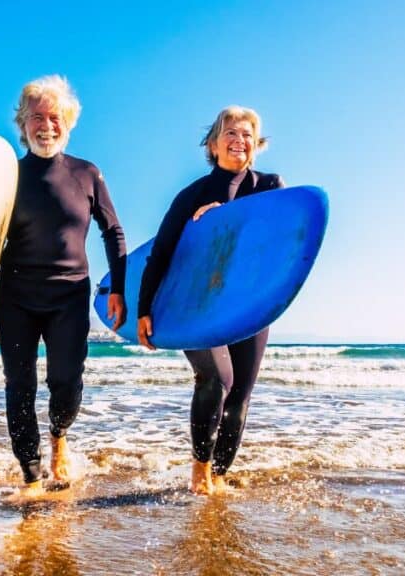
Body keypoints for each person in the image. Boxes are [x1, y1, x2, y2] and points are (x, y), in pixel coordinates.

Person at [0, 75, 127, 499]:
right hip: (17, 295)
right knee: (19, 386)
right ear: (23, 123)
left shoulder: (86, 174)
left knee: (66, 382)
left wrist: (120, 289)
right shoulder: (8, 178)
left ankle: (59, 437)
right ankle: (32, 477)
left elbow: (113, 232)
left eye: (54, 117)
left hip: (69, 296)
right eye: (37, 117)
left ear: (67, 122)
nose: (46, 126)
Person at [136, 106, 284, 495]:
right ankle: (200, 474)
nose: (240, 141)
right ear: (213, 144)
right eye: (230, 133)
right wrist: (144, 310)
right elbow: (163, 254)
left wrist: (230, 222)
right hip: (197, 304)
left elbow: (279, 245)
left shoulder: (270, 187)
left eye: (248, 134)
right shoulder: (192, 196)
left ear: (257, 144)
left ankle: (219, 476)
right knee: (216, 378)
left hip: (249, 304)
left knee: (240, 394)